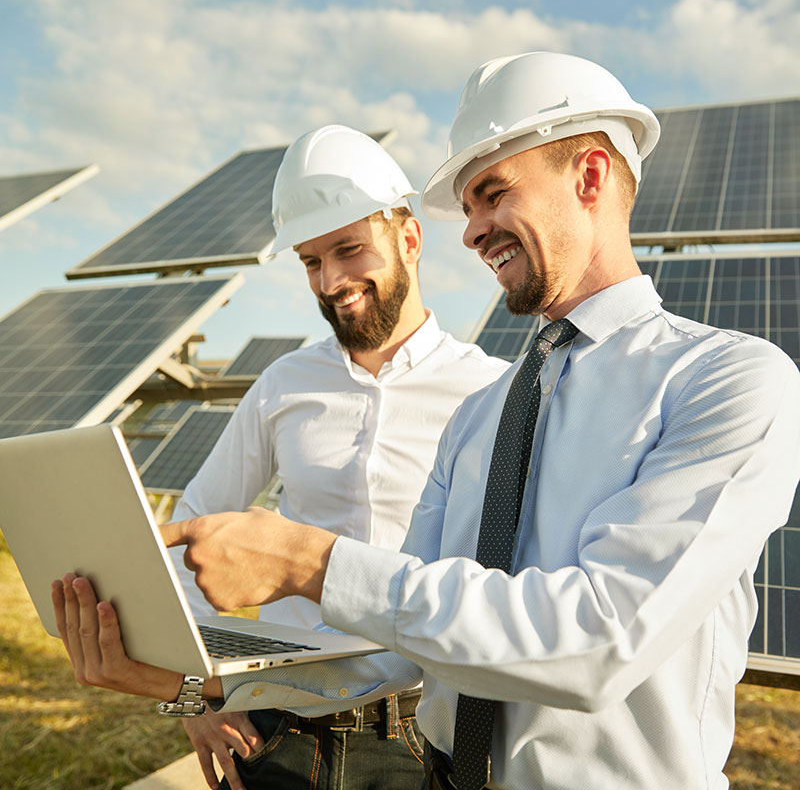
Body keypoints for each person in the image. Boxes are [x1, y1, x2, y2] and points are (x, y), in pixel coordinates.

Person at [54, 53, 800, 790]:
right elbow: (390, 658)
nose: (472, 232)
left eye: (491, 194)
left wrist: (309, 563)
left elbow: (600, 639)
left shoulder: (726, 381)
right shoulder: (484, 415)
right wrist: (181, 684)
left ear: (591, 176)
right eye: (468, 207)